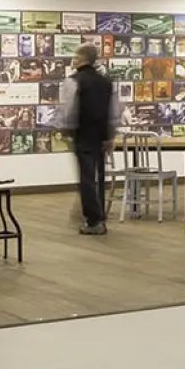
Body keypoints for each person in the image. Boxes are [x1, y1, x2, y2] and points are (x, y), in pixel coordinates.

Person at [60, 43, 115, 235]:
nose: (73, 60)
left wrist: (66, 129)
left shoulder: (73, 81)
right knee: (99, 177)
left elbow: (69, 109)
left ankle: (94, 221)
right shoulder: (105, 81)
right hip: (100, 136)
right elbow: (112, 110)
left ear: (83, 59)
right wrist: (109, 136)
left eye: (76, 56)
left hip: (83, 134)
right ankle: (100, 216)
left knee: (86, 178)